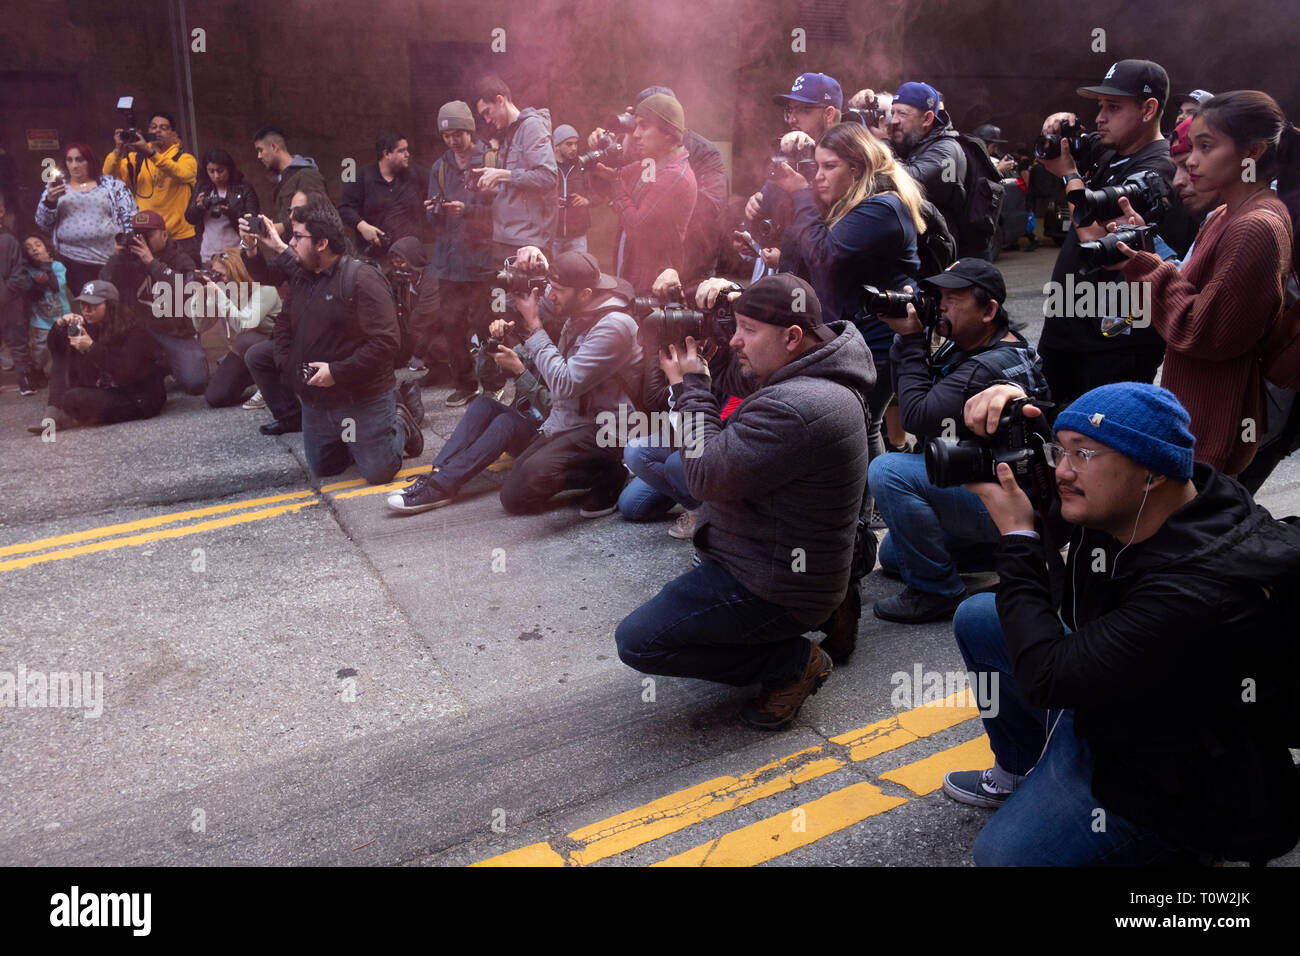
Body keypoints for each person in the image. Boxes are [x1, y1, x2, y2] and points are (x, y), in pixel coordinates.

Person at [945, 381, 1300, 866]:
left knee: (1002, 857)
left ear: (1151, 473)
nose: (1062, 471)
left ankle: (1171, 855)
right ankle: (1022, 771)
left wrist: (1019, 535)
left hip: (1170, 777)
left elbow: (1046, 676)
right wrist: (1012, 398)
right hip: (1118, 698)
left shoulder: (1194, 593)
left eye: (1082, 456)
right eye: (1059, 451)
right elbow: (1099, 438)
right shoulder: (1165, 493)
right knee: (981, 616)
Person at [615, 275, 872, 729]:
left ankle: (792, 662)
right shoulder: (822, 368)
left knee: (639, 641)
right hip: (798, 555)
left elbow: (705, 475)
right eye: (734, 325)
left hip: (773, 583)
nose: (735, 340)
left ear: (793, 336)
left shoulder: (797, 404)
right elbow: (732, 395)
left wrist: (690, 388)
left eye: (748, 329)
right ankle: (829, 608)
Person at [1114, 91, 1298, 477]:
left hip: (1216, 419)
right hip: (1195, 406)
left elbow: (1206, 331)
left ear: (1253, 152)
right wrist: (1144, 248)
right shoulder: (1224, 213)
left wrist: (1148, 269)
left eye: (1206, 146)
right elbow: (1192, 289)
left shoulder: (1255, 226)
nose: (1191, 160)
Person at [869, 259, 1049, 623]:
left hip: (1004, 500)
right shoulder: (993, 343)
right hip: (1009, 492)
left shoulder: (984, 367)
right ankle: (1009, 552)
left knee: (888, 470)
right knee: (892, 554)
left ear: (989, 310)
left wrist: (909, 339)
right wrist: (910, 335)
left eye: (953, 297)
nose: (940, 305)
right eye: (937, 296)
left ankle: (936, 591)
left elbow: (917, 415)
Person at [767, 122, 924, 534]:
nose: (817, 175)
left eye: (828, 166)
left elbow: (825, 255)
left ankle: (860, 517)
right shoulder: (847, 205)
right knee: (862, 424)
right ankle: (864, 511)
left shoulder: (882, 207)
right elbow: (798, 249)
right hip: (855, 337)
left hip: (879, 340)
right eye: (814, 167)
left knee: (861, 424)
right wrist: (788, 195)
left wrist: (801, 195)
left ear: (857, 168)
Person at [241, 201, 424, 485]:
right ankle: (356, 438)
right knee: (325, 468)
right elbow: (283, 326)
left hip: (362, 396)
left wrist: (336, 372)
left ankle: (399, 421)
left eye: (297, 237)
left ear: (322, 243)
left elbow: (386, 343)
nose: (289, 243)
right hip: (319, 401)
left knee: (378, 471)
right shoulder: (303, 275)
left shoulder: (362, 278)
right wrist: (291, 368)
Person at [1035, 59, 1178, 406]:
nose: (1100, 118)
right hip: (1067, 327)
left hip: (1114, 340)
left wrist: (1070, 174)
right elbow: (1059, 149)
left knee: (1099, 442)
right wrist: (1058, 126)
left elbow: (1097, 238)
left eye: (1113, 107)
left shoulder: (1158, 166)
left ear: (1148, 109)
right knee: (1051, 435)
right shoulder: (1107, 151)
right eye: (1099, 106)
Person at [491, 250, 643, 516]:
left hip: (611, 428)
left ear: (585, 293)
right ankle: (595, 470)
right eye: (551, 287)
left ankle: (612, 473)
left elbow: (564, 384)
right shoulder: (581, 305)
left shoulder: (614, 325)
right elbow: (553, 289)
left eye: (558, 290)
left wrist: (535, 324)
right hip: (576, 418)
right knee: (515, 491)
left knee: (525, 486)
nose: (550, 296)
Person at [385, 336, 552, 514]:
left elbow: (560, 410)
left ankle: (441, 486)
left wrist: (521, 372)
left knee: (506, 422)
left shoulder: (571, 352)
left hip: (549, 434)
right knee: (482, 404)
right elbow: (488, 377)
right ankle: (438, 472)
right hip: (526, 421)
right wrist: (492, 346)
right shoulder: (537, 341)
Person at [425, 100, 497, 405]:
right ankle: (465, 384)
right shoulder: (440, 168)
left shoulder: (491, 160)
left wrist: (466, 210)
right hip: (449, 262)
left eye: (458, 133)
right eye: (446, 136)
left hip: (481, 260)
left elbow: (501, 209)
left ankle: (493, 382)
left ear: (469, 130)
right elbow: (431, 221)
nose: (452, 140)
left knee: (485, 323)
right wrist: (434, 211)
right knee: (452, 325)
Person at [27, 280, 166, 433]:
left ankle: (72, 417)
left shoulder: (135, 329)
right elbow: (56, 348)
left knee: (75, 399)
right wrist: (60, 324)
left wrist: (91, 348)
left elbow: (127, 372)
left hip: (138, 397)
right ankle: (52, 414)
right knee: (64, 354)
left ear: (110, 305)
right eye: (83, 305)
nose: (86, 310)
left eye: (93, 305)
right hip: (108, 389)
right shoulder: (91, 325)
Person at [99, 209, 205, 394]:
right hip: (139, 331)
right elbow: (103, 286)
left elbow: (186, 291)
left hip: (174, 331)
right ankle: (156, 369)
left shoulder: (181, 258)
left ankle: (169, 364)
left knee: (196, 383)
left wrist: (151, 262)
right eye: (138, 235)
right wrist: (117, 259)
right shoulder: (127, 258)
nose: (143, 240)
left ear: (164, 234)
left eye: (149, 234)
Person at [743, 73, 844, 256]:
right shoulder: (791, 151)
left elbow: (829, 242)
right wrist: (754, 211)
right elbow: (770, 223)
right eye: (790, 110)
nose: (791, 120)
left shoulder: (850, 157)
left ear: (828, 114)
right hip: (790, 277)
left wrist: (787, 257)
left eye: (803, 110)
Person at [606, 93, 698, 293]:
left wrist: (614, 182)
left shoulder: (675, 176)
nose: (636, 134)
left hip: (650, 283)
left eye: (644, 126)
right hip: (634, 271)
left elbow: (636, 226)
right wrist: (602, 157)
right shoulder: (653, 162)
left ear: (668, 133)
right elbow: (617, 175)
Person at [472, 74, 558, 261]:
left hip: (528, 243)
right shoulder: (508, 133)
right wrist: (492, 185)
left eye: (487, 112)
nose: (486, 120)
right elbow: (518, 186)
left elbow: (548, 177)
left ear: (500, 100)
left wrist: (502, 174)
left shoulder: (532, 127)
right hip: (505, 238)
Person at [34, 142, 137, 294]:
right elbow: (42, 223)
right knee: (86, 308)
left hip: (110, 259)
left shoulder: (111, 184)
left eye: (80, 159)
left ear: (90, 161)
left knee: (111, 305)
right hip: (72, 260)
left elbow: (130, 216)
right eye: (70, 160)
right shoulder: (56, 187)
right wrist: (50, 201)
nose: (74, 165)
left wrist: (126, 244)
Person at [188, 246, 282, 408]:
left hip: (275, 350)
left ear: (237, 272)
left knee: (244, 339)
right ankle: (258, 375)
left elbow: (244, 324)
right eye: (215, 274)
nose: (218, 279)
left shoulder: (265, 289)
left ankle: (270, 385)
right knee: (216, 397)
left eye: (222, 275)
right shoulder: (225, 290)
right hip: (245, 352)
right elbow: (202, 325)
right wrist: (199, 297)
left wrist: (219, 296)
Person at [103, 111, 198, 259]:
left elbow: (180, 172)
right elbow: (109, 177)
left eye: (164, 128)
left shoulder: (186, 159)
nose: (157, 131)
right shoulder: (136, 159)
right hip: (148, 237)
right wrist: (117, 150)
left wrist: (150, 153)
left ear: (174, 134)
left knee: (184, 282)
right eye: (153, 127)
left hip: (180, 238)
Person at [888, 82, 967, 245]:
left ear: (927, 118)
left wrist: (880, 143)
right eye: (892, 112)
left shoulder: (947, 149)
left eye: (902, 114)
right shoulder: (911, 141)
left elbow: (906, 179)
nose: (894, 120)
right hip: (916, 238)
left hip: (937, 245)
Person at [338, 132, 428, 257]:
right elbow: (345, 208)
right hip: (374, 255)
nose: (407, 154)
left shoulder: (416, 174)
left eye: (407, 149)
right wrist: (362, 226)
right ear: (386, 154)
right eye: (401, 151)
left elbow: (436, 191)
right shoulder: (362, 176)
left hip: (409, 256)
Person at [185, 148, 260, 264]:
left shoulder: (244, 188)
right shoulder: (202, 187)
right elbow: (189, 218)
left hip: (236, 253)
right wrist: (198, 207)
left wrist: (230, 211)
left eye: (220, 171)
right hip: (209, 254)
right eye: (211, 171)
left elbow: (253, 220)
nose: (216, 176)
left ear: (229, 168)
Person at [252, 126, 327, 238]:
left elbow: (317, 215)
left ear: (273, 147)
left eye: (260, 150)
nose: (259, 156)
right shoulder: (282, 178)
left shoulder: (307, 175)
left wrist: (281, 227)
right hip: (287, 250)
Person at [21, 233, 71, 393]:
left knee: (66, 344)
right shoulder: (28, 271)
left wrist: (45, 268)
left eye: (37, 244)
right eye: (28, 248)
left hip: (62, 316)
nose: (34, 249)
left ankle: (66, 372)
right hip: (41, 319)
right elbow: (31, 294)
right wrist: (38, 285)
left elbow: (58, 285)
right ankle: (38, 370)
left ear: (48, 249)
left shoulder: (58, 266)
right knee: (40, 348)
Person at [1, 198, 34, 392]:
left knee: (17, 341)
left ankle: (24, 380)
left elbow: (19, 272)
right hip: (7, 296)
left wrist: (5, 293)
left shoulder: (9, 240)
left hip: (10, 300)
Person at [552, 125, 592, 255]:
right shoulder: (547, 167)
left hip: (578, 236)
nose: (574, 148)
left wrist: (587, 200)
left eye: (576, 144)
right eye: (569, 144)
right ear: (557, 145)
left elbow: (602, 192)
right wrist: (550, 201)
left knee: (579, 272)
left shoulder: (583, 166)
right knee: (552, 273)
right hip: (553, 235)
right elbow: (534, 196)